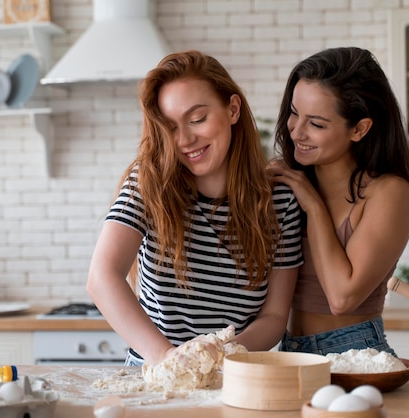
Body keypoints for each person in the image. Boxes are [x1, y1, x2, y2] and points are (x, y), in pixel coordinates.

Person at [86, 50, 303, 367]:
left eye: (197, 119)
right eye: (170, 126)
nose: (185, 139)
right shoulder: (148, 182)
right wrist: (169, 358)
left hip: (233, 373)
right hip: (156, 374)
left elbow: (273, 317)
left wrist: (217, 355)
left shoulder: (279, 202)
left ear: (232, 109)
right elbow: (102, 277)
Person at [267, 47, 409, 356]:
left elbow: (342, 298)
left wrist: (314, 207)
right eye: (294, 113)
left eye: (316, 124)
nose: (296, 131)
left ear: (359, 129)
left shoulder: (389, 192)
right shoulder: (288, 180)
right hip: (288, 351)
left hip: (353, 350)